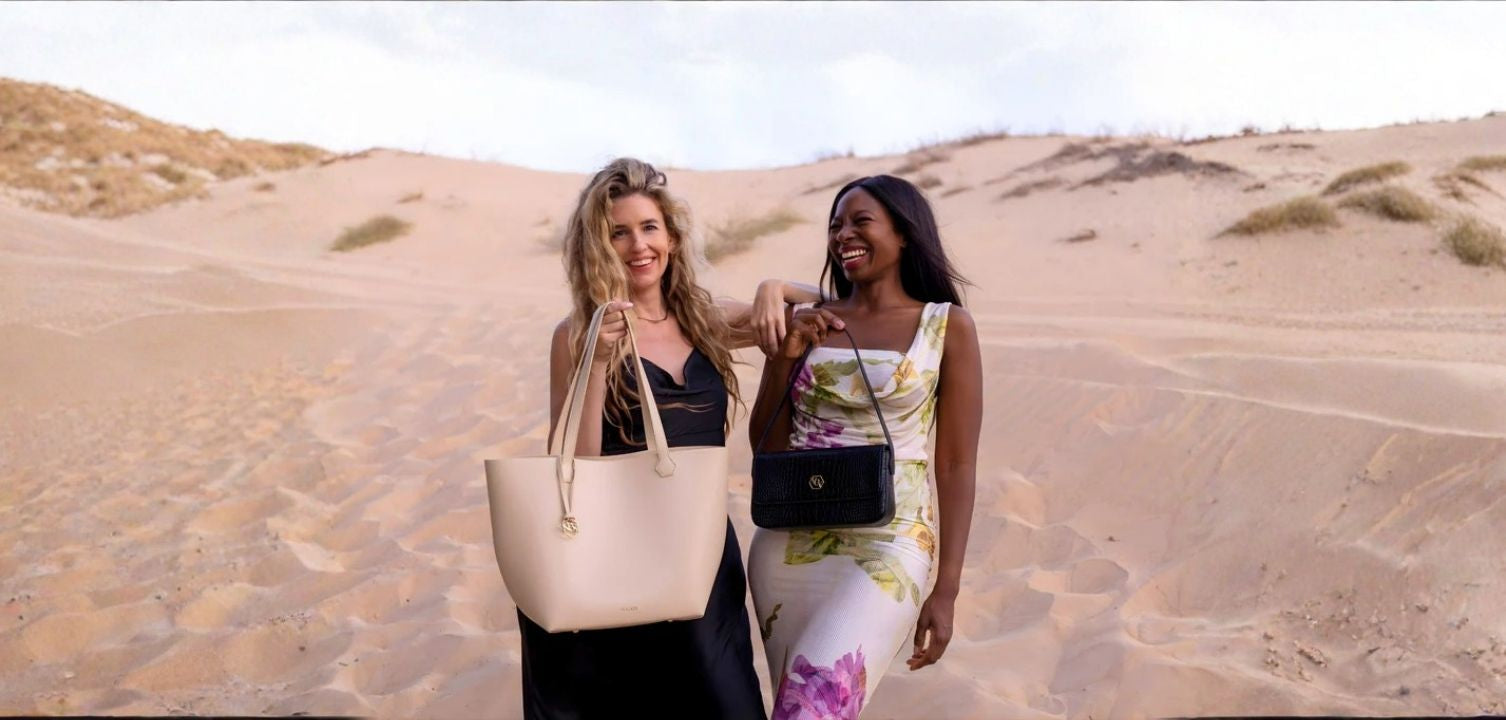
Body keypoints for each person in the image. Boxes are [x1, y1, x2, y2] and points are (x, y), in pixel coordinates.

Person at [521, 157, 820, 719]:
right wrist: (602, 360)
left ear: (673, 237)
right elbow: (573, 462)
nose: (638, 245)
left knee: (728, 703)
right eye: (619, 233)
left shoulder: (703, 317)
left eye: (649, 227)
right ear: (598, 247)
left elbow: (818, 306)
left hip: (703, 551)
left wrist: (772, 286)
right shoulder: (577, 335)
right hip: (620, 555)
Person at [747, 175, 982, 718]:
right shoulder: (814, 322)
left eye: (860, 221)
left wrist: (946, 588)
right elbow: (766, 448)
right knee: (796, 708)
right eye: (834, 225)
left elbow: (955, 463)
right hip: (789, 545)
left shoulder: (946, 327)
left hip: (890, 544)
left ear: (903, 234)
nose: (843, 234)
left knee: (812, 709)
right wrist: (783, 355)